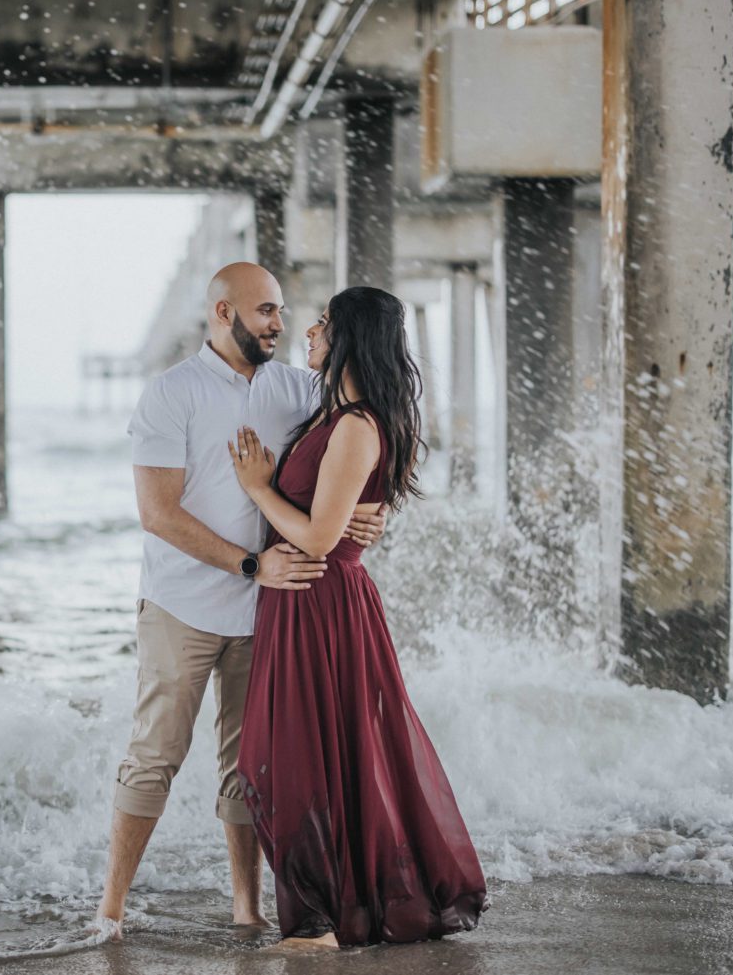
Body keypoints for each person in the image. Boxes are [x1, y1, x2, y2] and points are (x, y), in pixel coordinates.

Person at [93, 263, 387, 938]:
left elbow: (369, 428)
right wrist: (252, 564)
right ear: (223, 313)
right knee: (156, 754)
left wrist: (374, 508)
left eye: (282, 311)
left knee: (249, 765)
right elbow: (157, 512)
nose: (280, 324)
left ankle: (247, 905)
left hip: (270, 613)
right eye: (265, 312)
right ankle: (110, 909)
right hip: (183, 606)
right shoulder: (172, 394)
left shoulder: (298, 388)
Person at [229, 286, 488, 949]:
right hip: (307, 599)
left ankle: (317, 922)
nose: (308, 331)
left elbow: (317, 538)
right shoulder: (333, 415)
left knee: (298, 755)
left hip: (320, 598)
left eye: (323, 322)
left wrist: (258, 488)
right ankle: (332, 908)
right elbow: (339, 518)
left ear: (349, 337)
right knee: (304, 752)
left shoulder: (354, 425)